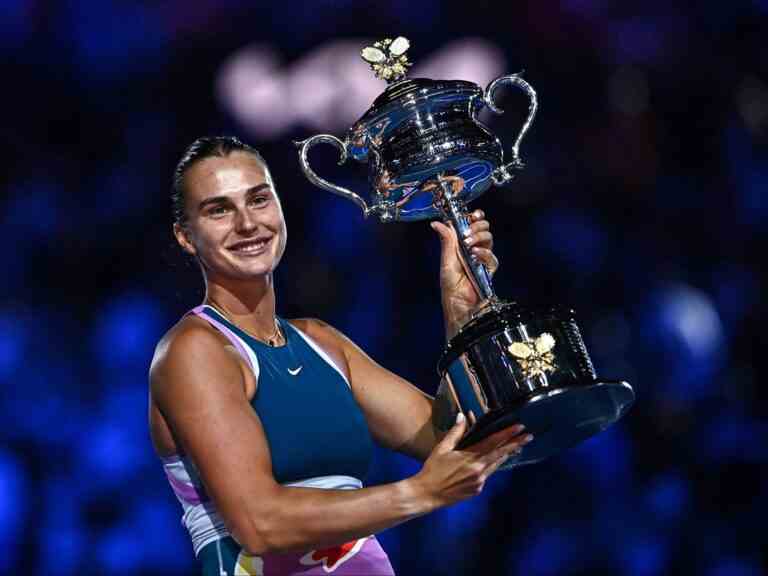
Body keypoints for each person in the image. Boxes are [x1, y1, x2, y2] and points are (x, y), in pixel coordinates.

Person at [149, 136, 533, 575]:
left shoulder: (322, 343)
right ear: (185, 236)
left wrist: (461, 314)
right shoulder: (194, 350)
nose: (247, 223)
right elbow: (259, 523)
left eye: (259, 200)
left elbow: (458, 441)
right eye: (219, 210)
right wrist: (420, 493)